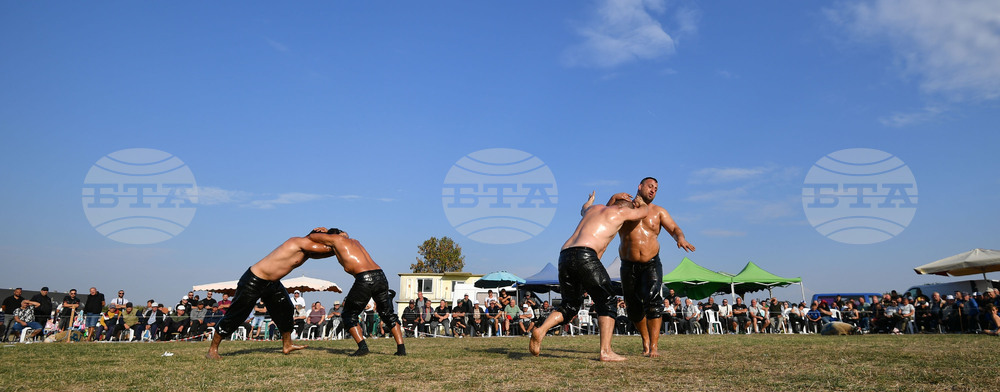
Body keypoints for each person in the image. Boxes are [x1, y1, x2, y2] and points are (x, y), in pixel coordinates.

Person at [530, 191, 649, 362]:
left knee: (570, 305)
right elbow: (643, 213)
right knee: (607, 300)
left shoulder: (593, 209)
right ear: (625, 208)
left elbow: (583, 207)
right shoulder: (621, 212)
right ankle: (606, 351)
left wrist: (593, 199)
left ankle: (540, 331)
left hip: (565, 255)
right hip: (586, 254)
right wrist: (640, 202)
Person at [206, 232, 341, 359]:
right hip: (254, 280)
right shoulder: (299, 242)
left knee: (286, 309)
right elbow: (327, 249)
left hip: (272, 283)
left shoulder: (306, 252)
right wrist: (341, 238)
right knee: (237, 314)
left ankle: (287, 345)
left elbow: (324, 252)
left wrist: (337, 244)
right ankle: (213, 349)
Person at [609, 177, 695, 357]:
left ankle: (654, 346)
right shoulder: (624, 208)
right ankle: (645, 339)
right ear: (640, 186)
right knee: (632, 307)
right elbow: (605, 214)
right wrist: (614, 197)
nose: (653, 190)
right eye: (650, 186)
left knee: (654, 301)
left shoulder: (658, 211)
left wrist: (680, 238)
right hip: (628, 264)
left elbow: (674, 228)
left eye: (656, 188)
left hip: (651, 263)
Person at [305, 227, 406, 356]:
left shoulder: (335, 240)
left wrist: (320, 232)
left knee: (348, 315)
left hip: (364, 277)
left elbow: (312, 237)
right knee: (387, 313)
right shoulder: (353, 240)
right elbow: (344, 234)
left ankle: (363, 347)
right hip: (380, 275)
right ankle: (401, 349)